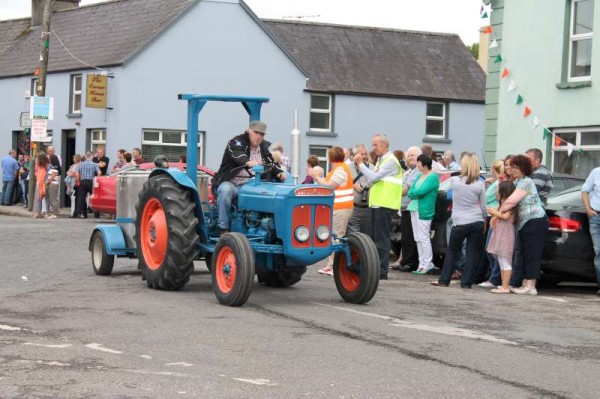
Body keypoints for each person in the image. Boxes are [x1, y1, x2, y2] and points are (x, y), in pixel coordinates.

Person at [212, 121, 286, 234]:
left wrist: (279, 172)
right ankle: (223, 227)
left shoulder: (263, 148)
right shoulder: (236, 142)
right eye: (256, 133)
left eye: (261, 134)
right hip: (232, 183)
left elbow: (271, 162)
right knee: (225, 190)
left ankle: (265, 228)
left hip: (250, 185)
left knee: (268, 194)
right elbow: (237, 154)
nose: (258, 137)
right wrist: (247, 162)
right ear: (249, 131)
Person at [432, 153, 486, 288]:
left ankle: (444, 280)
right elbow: (483, 206)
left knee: (452, 251)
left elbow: (442, 190)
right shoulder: (480, 184)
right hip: (476, 221)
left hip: (459, 221)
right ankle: (466, 282)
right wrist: (484, 221)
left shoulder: (455, 181)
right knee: (471, 252)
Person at [353, 134, 403, 280]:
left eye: (375, 145)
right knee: (374, 238)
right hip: (377, 203)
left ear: (384, 145)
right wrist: (363, 186)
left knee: (382, 239)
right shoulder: (382, 160)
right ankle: (375, 268)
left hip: (385, 204)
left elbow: (375, 177)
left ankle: (381, 270)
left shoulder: (391, 161)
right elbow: (373, 178)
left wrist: (361, 164)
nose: (373, 148)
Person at [498, 155, 548, 295]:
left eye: (515, 167)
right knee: (526, 253)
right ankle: (526, 283)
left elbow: (511, 202)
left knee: (532, 253)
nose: (511, 170)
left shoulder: (526, 182)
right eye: (511, 167)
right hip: (525, 222)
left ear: (523, 169)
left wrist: (497, 214)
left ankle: (531, 286)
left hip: (534, 220)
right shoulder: (519, 182)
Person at [308, 146, 354, 276]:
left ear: (331, 157)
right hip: (339, 208)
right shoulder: (340, 169)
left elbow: (328, 186)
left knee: (337, 238)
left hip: (341, 208)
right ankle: (332, 265)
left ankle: (333, 266)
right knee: (336, 236)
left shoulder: (340, 170)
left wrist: (316, 177)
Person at [406, 154, 440, 275]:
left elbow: (420, 191)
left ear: (425, 164)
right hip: (414, 208)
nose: (417, 164)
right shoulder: (419, 176)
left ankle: (428, 263)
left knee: (424, 237)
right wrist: (415, 193)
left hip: (424, 210)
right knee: (417, 238)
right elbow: (410, 192)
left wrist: (415, 193)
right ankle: (421, 263)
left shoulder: (432, 177)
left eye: (419, 162)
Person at [486, 180, 517, 293]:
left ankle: (505, 286)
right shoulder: (504, 202)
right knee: (501, 259)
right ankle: (504, 285)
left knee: (505, 259)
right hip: (501, 232)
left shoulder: (509, 204)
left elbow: (505, 216)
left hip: (505, 233)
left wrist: (494, 212)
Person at [478, 159, 505, 289]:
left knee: (491, 248)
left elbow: (486, 198)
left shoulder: (498, 183)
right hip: (492, 215)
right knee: (490, 248)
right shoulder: (497, 183)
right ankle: (494, 276)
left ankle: (495, 277)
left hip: (492, 215)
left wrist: (485, 186)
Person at [396, 146, 422, 272]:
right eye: (409, 155)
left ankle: (410, 262)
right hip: (405, 207)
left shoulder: (417, 170)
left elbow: (407, 188)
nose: (410, 157)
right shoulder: (410, 171)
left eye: (413, 155)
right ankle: (405, 260)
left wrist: (394, 195)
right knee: (406, 236)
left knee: (410, 236)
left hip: (411, 207)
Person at [581, 166, 600, 296]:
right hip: (596, 217)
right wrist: (588, 210)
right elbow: (584, 191)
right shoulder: (596, 172)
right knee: (599, 251)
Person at [347, 144, 372, 234]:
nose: (364, 157)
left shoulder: (372, 168)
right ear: (355, 155)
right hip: (353, 207)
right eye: (362, 154)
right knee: (353, 235)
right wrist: (353, 186)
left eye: (366, 154)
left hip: (368, 208)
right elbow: (343, 183)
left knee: (366, 236)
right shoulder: (347, 168)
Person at [76, 152, 101, 219]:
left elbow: (77, 174)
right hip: (91, 182)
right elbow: (99, 172)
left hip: (83, 182)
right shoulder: (94, 164)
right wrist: (97, 179)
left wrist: (78, 181)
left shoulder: (80, 164)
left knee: (82, 198)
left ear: (86, 157)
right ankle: (96, 213)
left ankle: (83, 213)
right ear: (91, 157)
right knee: (94, 197)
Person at [32, 153, 50, 218]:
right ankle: (39, 212)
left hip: (44, 183)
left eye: (38, 159)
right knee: (39, 199)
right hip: (40, 183)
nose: (37, 160)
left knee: (46, 199)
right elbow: (36, 174)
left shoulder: (47, 166)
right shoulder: (40, 166)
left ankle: (47, 213)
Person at [45, 154, 61, 219]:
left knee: (53, 199)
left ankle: (54, 213)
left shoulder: (54, 167)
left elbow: (52, 176)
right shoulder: (53, 166)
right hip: (53, 183)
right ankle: (54, 212)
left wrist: (47, 182)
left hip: (53, 184)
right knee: (52, 198)